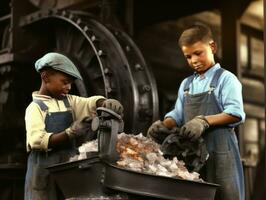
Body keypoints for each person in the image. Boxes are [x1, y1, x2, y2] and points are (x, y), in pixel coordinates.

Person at [147, 24, 245, 200]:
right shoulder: (186, 85)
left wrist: (203, 121)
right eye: (188, 56)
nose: (193, 60)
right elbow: (177, 114)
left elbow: (236, 113)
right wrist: (163, 124)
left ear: (212, 47)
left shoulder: (226, 79)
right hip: (190, 155)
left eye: (198, 53)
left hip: (220, 154)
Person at [24, 52, 123, 200]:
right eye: (64, 82)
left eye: (70, 83)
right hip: (43, 169)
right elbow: (37, 141)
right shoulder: (35, 108)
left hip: (66, 166)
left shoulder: (68, 101)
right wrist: (69, 133)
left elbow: (88, 103)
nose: (69, 87)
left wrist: (104, 103)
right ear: (45, 77)